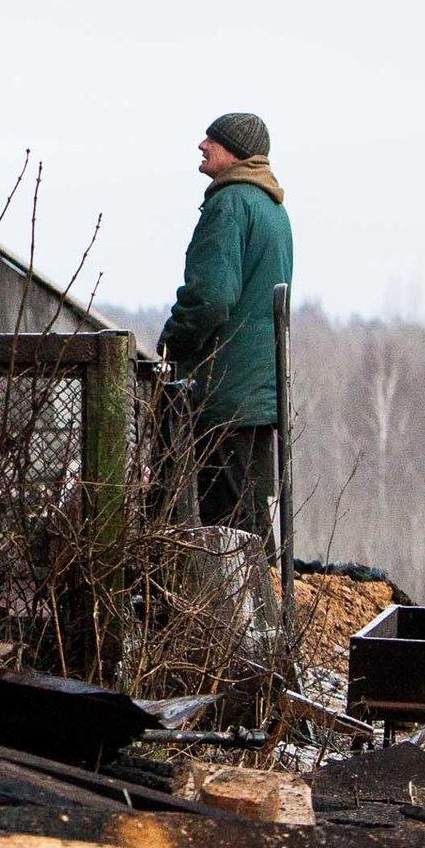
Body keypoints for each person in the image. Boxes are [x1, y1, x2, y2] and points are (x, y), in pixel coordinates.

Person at [158, 112, 295, 553]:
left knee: (229, 525)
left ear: (233, 150)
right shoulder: (273, 208)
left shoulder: (229, 203)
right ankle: (270, 612)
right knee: (251, 518)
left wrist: (173, 339)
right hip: (257, 390)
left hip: (224, 390)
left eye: (212, 139)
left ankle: (244, 619)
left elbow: (212, 296)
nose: (201, 144)